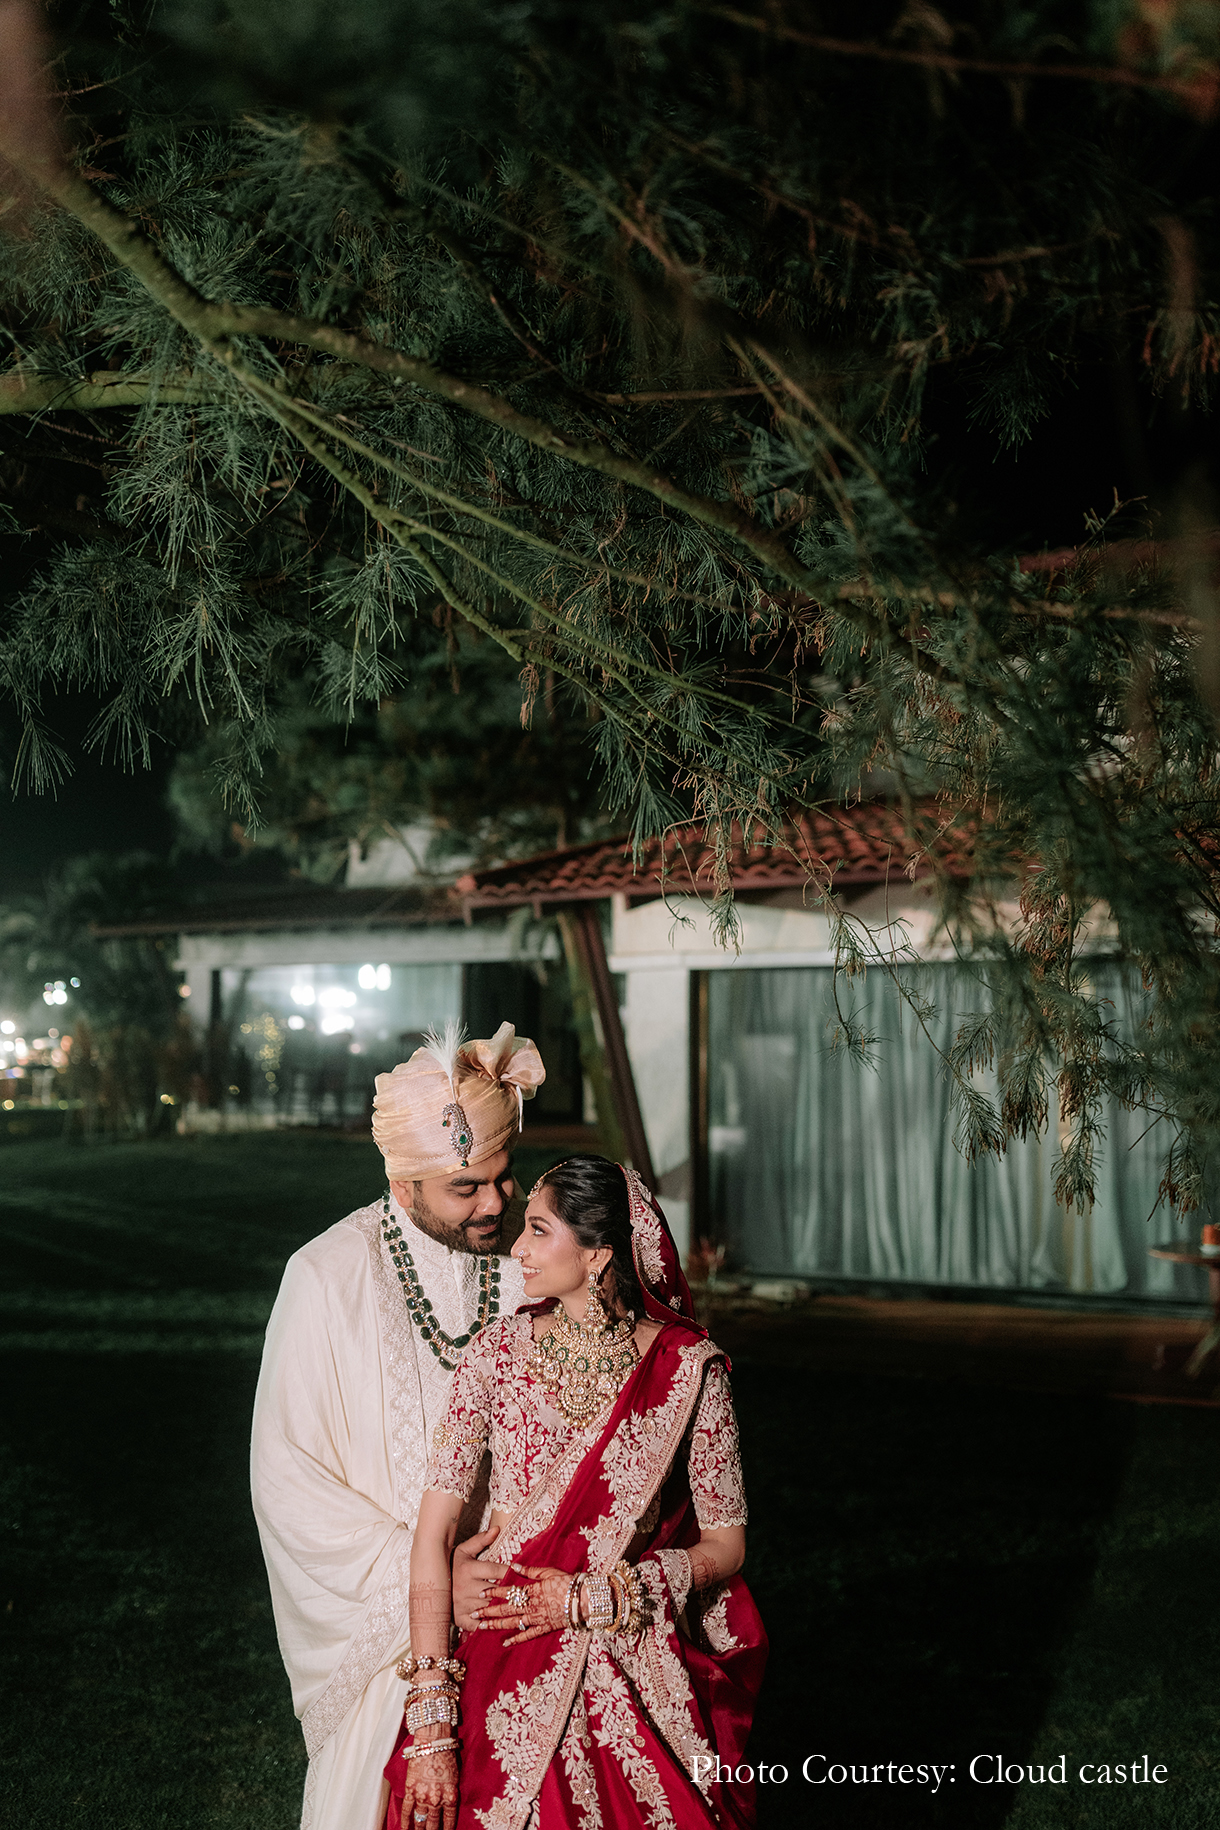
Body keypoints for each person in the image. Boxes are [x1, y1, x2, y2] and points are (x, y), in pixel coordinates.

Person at [388, 1155, 767, 1830]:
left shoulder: (687, 1371)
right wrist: (433, 1726)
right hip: (501, 1644)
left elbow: (727, 1543)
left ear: (596, 1255)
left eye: (538, 1230)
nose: (517, 1248)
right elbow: (434, 1534)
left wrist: (611, 1594)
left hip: (625, 1642)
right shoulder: (495, 1354)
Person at [251, 1021, 545, 1830]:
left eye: (503, 1178)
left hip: (525, 1609)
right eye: (467, 1188)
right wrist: (431, 1579)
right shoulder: (324, 1277)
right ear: (404, 1182)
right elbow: (288, 1480)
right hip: (387, 1639)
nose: (496, 1203)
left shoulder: (531, 1269)